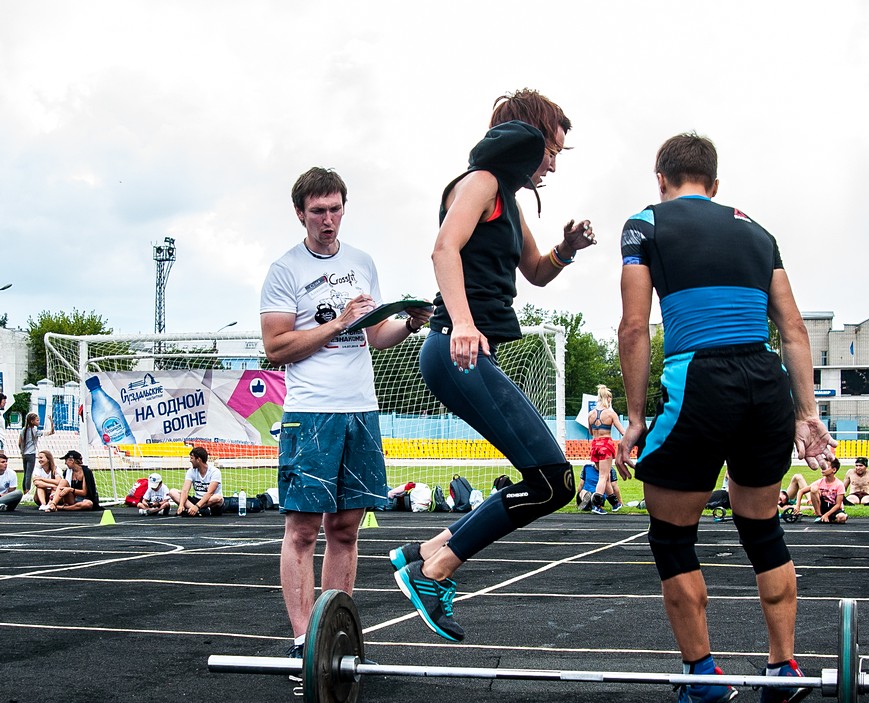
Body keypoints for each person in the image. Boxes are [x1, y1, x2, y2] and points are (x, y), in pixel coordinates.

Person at [615, 133, 834, 703]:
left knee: (671, 536)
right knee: (761, 526)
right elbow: (793, 329)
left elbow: (635, 327)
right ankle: (783, 667)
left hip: (701, 379)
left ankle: (703, 676)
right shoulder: (759, 233)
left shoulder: (645, 223)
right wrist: (806, 414)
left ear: (661, 176)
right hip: (765, 382)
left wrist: (635, 418)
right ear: (715, 182)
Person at [387, 89, 596, 644]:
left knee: (549, 479)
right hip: (456, 349)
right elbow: (443, 250)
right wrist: (461, 321)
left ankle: (422, 551)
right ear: (527, 138)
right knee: (553, 481)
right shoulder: (478, 183)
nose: (553, 161)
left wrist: (567, 248)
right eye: (552, 147)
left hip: (473, 352)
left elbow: (536, 272)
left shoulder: (508, 197)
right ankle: (434, 572)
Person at [261, 167, 431, 659]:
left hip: (361, 409)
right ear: (300, 214)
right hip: (311, 413)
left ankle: (334, 639)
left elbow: (372, 336)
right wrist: (339, 322)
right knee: (303, 530)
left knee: (345, 529)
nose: (329, 219)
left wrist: (408, 324)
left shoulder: (362, 262)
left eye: (335, 209)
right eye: (318, 211)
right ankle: (301, 643)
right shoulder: (285, 270)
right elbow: (276, 348)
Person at [587, 385, 626, 515]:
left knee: (606, 476)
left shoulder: (591, 414)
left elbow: (591, 431)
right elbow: (622, 431)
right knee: (603, 476)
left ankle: (615, 504)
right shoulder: (610, 413)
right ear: (608, 398)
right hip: (605, 445)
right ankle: (596, 504)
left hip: (595, 444)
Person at [169, 447, 225, 517]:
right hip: (196, 499)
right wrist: (181, 505)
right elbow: (185, 490)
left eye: (192, 458)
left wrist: (197, 506)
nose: (190, 461)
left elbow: (210, 493)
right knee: (172, 492)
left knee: (218, 498)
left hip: (209, 500)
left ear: (198, 459)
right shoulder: (191, 471)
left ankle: (194, 510)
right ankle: (198, 512)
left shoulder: (215, 472)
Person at [18, 411, 54, 498]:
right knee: (29, 474)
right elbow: (51, 432)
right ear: (32, 421)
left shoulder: (23, 430)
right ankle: (27, 492)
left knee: (26, 472)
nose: (38, 422)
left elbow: (19, 443)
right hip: (31, 454)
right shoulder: (34, 431)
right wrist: (51, 422)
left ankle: (25, 491)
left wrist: (22, 451)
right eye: (37, 420)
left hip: (25, 454)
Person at [810, 458, 848, 524]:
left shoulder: (839, 484)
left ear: (834, 470)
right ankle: (819, 516)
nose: (822, 469)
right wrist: (797, 506)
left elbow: (838, 504)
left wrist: (827, 515)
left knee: (842, 518)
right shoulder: (820, 482)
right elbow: (802, 491)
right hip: (823, 507)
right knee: (813, 489)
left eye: (826, 467)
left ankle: (829, 518)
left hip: (834, 508)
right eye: (822, 466)